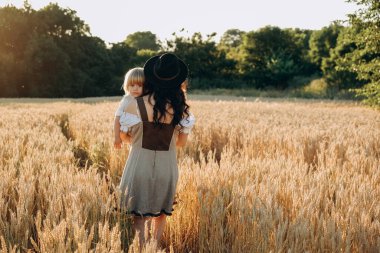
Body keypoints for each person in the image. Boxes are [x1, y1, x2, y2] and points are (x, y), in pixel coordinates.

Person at [118, 53, 195, 247]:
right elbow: (180, 143)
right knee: (161, 213)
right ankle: (155, 246)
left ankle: (142, 248)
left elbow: (123, 136)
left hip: (138, 165)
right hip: (167, 168)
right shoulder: (181, 109)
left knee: (139, 215)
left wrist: (136, 140)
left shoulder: (134, 104)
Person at [113, 67, 145, 149]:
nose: (135, 88)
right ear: (127, 86)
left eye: (140, 85)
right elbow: (117, 119)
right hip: (128, 134)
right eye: (132, 85)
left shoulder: (146, 100)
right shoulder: (126, 100)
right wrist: (117, 137)